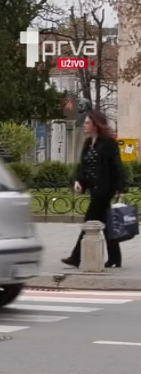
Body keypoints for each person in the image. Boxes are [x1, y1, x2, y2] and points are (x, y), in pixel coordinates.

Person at [62, 110, 126, 269]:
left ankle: (76, 257)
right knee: (106, 223)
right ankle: (115, 258)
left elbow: (117, 166)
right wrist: (78, 181)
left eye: (87, 123)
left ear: (96, 125)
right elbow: (83, 167)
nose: (84, 125)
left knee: (89, 221)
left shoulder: (108, 143)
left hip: (105, 189)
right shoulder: (88, 143)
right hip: (94, 188)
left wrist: (121, 187)